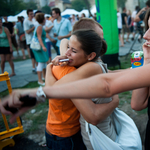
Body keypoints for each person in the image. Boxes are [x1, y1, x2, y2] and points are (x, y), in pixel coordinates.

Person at [46, 29, 118, 150]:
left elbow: (51, 89)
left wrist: (49, 67)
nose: (67, 53)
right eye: (69, 47)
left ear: (91, 56)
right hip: (72, 134)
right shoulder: (78, 66)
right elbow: (64, 41)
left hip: (97, 137)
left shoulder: (88, 68)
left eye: (73, 50)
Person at [32, 13, 49, 86]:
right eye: (44, 18)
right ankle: (40, 80)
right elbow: (39, 37)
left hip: (40, 46)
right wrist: (43, 46)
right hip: (39, 47)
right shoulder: (40, 27)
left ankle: (44, 77)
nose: (45, 19)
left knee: (44, 62)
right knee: (41, 63)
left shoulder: (39, 26)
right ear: (42, 19)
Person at [23, 9, 37, 73]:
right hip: (30, 41)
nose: (32, 15)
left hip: (36, 40)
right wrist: (33, 28)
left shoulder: (34, 20)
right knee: (33, 55)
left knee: (36, 54)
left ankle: (37, 67)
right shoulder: (26, 21)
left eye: (32, 14)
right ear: (28, 15)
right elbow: (27, 31)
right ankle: (34, 67)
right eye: (30, 14)